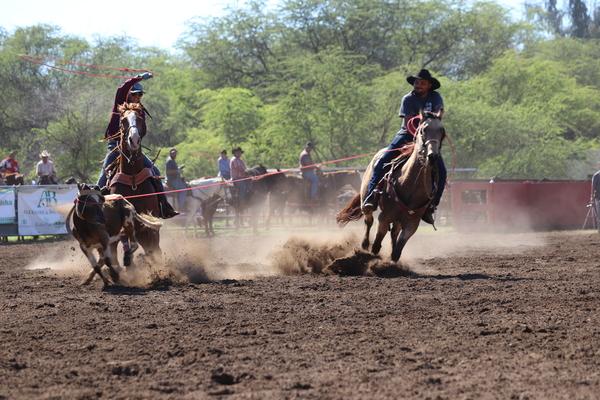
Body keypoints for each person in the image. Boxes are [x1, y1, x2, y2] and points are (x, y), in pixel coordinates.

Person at [363, 69, 447, 224]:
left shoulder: (435, 97)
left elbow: (438, 116)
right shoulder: (408, 99)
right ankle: (371, 197)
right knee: (383, 161)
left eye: (422, 83)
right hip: (407, 134)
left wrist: (428, 137)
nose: (418, 85)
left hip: (428, 137)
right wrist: (418, 139)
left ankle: (431, 205)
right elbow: (408, 122)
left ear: (429, 85)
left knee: (441, 171)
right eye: (416, 82)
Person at [96, 72, 177, 218]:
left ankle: (164, 206)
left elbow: (143, 130)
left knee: (155, 171)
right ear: (128, 95)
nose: (138, 97)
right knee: (104, 173)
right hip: (116, 146)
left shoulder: (140, 111)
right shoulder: (120, 104)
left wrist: (135, 138)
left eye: (140, 95)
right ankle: (97, 207)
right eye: (135, 94)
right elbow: (122, 88)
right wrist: (138, 77)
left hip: (134, 146)